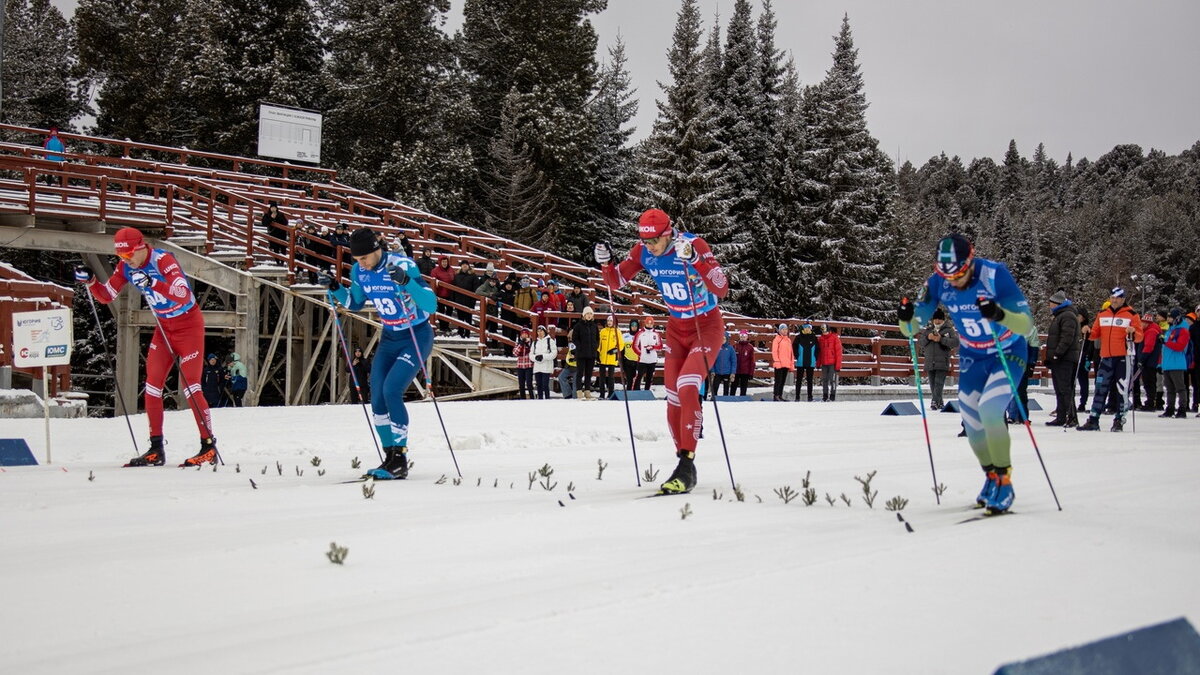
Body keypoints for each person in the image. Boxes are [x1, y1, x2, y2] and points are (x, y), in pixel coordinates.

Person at [897, 232, 1035, 515]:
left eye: (959, 274)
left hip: (1007, 351)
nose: (953, 281)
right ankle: (991, 477)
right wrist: (906, 316)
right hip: (973, 355)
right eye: (947, 275)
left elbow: (1026, 325)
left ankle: (1005, 482)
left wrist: (999, 314)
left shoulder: (995, 275)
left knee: (990, 410)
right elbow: (911, 329)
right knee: (970, 418)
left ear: (970, 261)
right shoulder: (938, 282)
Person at [595, 208, 729, 494]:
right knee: (671, 396)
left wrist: (696, 261)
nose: (650, 247)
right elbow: (615, 281)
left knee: (688, 385)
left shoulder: (694, 245)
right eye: (645, 242)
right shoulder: (643, 252)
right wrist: (606, 264)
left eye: (654, 241)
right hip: (676, 328)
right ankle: (685, 465)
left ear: (668, 233)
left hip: (706, 326)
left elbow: (721, 288)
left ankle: (686, 463)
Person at [74, 227, 218, 467]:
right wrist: (90, 281)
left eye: (129, 254)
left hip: (188, 326)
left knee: (191, 387)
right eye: (121, 256)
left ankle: (208, 445)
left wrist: (153, 282)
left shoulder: (163, 260)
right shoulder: (126, 267)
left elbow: (182, 293)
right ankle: (156, 448)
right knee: (152, 386)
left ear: (141, 247)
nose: (126, 260)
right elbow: (107, 294)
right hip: (164, 329)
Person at [325, 228, 437, 479]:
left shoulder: (402, 264)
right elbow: (354, 304)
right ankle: (389, 457)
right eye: (357, 259)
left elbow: (431, 305)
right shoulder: (359, 271)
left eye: (364, 257)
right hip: (390, 336)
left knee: (391, 390)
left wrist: (407, 282)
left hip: (415, 335)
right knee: (376, 395)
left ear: (378, 250)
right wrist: (335, 287)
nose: (361, 263)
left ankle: (400, 457)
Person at [1077, 287, 1143, 432]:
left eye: (1117, 298)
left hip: (1123, 357)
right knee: (1100, 387)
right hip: (1106, 356)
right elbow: (1095, 334)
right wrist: (1087, 331)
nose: (1114, 300)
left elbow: (1139, 336)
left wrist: (1133, 331)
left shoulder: (1131, 314)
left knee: (1121, 389)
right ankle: (1093, 420)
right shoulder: (1102, 314)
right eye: (1112, 298)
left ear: (1123, 299)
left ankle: (1119, 419)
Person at [1043, 290, 1081, 427]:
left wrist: (1057, 353)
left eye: (1051, 303)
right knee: (1059, 388)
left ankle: (1071, 416)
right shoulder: (1060, 316)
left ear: (1057, 303)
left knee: (1065, 388)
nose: (1049, 306)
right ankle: (1061, 416)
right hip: (1059, 359)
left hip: (1065, 358)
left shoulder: (1067, 316)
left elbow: (1067, 338)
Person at [918, 309, 958, 410]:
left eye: (939, 319)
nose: (937, 321)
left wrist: (941, 339)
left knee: (939, 382)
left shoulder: (949, 330)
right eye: (935, 319)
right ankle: (939, 402)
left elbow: (955, 342)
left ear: (943, 320)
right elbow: (921, 342)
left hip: (942, 360)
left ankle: (934, 401)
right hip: (930, 360)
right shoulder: (928, 330)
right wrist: (928, 338)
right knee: (932, 383)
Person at [1159, 308, 1192, 418]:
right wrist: (1161, 364)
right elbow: (1165, 349)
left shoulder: (1183, 330)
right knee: (1169, 389)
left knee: (1180, 388)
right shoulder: (1171, 329)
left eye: (1170, 317)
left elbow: (1180, 346)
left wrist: (1166, 342)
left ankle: (1182, 409)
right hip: (1168, 363)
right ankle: (1170, 408)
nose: (1168, 319)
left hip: (1177, 363)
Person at [1134, 311, 1162, 411]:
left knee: (1149, 382)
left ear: (1147, 323)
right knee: (1149, 382)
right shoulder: (1149, 330)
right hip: (1150, 361)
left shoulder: (1151, 331)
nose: (1141, 324)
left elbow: (1149, 346)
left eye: (1143, 323)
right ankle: (1151, 401)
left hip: (1149, 361)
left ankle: (1150, 402)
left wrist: (1142, 359)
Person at [571, 306, 601, 399]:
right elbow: (574, 338)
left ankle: (587, 391)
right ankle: (579, 392)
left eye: (590, 314)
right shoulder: (578, 326)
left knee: (589, 373)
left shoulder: (594, 326)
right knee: (580, 373)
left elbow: (597, 338)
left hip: (591, 353)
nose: (589, 315)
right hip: (581, 353)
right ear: (583, 315)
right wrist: (580, 347)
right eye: (587, 314)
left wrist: (595, 347)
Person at [597, 314, 624, 399]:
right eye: (608, 321)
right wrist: (598, 353)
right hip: (603, 357)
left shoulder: (617, 332)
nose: (609, 322)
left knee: (611, 377)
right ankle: (601, 393)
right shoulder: (602, 331)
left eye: (611, 321)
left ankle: (611, 393)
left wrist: (614, 350)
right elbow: (599, 343)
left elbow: (621, 345)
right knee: (601, 377)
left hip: (612, 357)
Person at [632, 315, 663, 390]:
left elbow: (660, 346)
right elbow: (634, 345)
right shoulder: (640, 333)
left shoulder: (656, 334)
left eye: (651, 323)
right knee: (639, 376)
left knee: (649, 377)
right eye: (648, 323)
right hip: (642, 359)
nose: (649, 325)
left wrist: (653, 347)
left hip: (652, 359)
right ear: (645, 323)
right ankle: (636, 390)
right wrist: (640, 354)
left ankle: (647, 391)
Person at [792, 321, 819, 402]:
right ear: (803, 328)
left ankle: (810, 397)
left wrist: (815, 357)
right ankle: (797, 397)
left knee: (810, 380)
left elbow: (818, 349)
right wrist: (797, 356)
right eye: (806, 327)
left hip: (810, 362)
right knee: (799, 380)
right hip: (801, 362)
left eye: (809, 327)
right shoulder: (798, 337)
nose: (807, 329)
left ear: (810, 328)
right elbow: (794, 347)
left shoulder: (814, 337)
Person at [452, 261, 479, 338]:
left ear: (468, 266)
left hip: (469, 300)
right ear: (461, 266)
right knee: (460, 317)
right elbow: (453, 288)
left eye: (466, 265)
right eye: (463, 265)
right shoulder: (457, 275)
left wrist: (473, 300)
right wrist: (453, 300)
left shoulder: (473, 276)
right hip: (459, 299)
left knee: (468, 318)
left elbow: (476, 289)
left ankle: (467, 333)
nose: (464, 266)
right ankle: (460, 331)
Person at [817, 325, 844, 402]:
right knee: (824, 380)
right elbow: (820, 353)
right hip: (824, 363)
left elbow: (838, 352)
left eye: (825, 331)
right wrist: (818, 363)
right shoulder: (821, 339)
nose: (824, 333)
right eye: (823, 331)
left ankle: (832, 395)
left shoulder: (835, 338)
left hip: (832, 363)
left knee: (832, 380)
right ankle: (825, 395)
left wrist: (838, 365)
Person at [430, 256, 455, 334]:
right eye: (443, 262)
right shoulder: (435, 271)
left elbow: (454, 279)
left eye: (446, 262)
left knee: (449, 311)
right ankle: (442, 326)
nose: (445, 263)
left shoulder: (451, 270)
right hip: (440, 294)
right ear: (440, 262)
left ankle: (447, 326)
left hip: (450, 294)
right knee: (441, 310)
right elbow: (433, 281)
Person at [1076, 308, 1094, 412]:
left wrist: (1088, 358)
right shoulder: (1074, 327)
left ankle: (1083, 402)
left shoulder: (1087, 329)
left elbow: (1090, 345)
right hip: (1074, 356)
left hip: (1083, 357)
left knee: (1083, 381)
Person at [771, 323, 794, 401]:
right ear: (780, 330)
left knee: (783, 380)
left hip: (786, 363)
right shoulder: (777, 339)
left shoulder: (788, 340)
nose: (785, 331)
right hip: (779, 363)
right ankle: (776, 395)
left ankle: (780, 395)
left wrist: (791, 363)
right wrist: (777, 361)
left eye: (786, 329)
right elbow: (774, 351)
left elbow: (791, 353)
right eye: (783, 329)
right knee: (778, 380)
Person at [531, 324, 555, 399]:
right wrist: (535, 358)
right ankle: (540, 399)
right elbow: (531, 354)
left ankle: (547, 398)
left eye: (541, 331)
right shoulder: (535, 342)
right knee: (539, 385)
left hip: (546, 366)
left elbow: (554, 353)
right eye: (538, 331)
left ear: (544, 332)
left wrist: (544, 356)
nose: (539, 333)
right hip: (537, 366)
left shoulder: (550, 341)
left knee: (545, 385)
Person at [710, 332, 736, 400]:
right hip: (717, 372)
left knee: (726, 388)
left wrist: (733, 372)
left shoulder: (730, 349)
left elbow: (734, 361)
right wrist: (713, 370)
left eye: (724, 339)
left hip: (727, 372)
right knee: (715, 387)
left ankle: (726, 399)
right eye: (721, 339)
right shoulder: (716, 348)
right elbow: (712, 360)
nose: (722, 340)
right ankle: (714, 398)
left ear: (727, 339)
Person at [733, 330, 756, 396]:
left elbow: (752, 361)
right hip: (736, 370)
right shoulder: (735, 346)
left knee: (743, 387)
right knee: (733, 385)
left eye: (744, 336)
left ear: (747, 337)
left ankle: (743, 399)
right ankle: (731, 398)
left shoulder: (750, 347)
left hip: (745, 371)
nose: (743, 338)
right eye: (741, 336)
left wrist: (751, 373)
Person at [620, 318, 641, 389]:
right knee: (629, 380)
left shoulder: (640, 336)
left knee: (637, 381)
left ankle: (636, 395)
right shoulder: (625, 336)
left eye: (635, 325)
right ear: (630, 326)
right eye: (632, 325)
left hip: (637, 362)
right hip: (627, 362)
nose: (634, 327)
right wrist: (621, 362)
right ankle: (629, 394)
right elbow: (621, 350)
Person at [514, 328, 534, 399]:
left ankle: (532, 398)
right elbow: (515, 353)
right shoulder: (518, 343)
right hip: (520, 366)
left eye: (526, 334)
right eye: (523, 334)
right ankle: (523, 399)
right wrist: (521, 344)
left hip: (528, 365)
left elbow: (532, 351)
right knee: (521, 384)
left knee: (529, 383)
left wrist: (527, 344)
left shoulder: (531, 342)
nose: (524, 336)